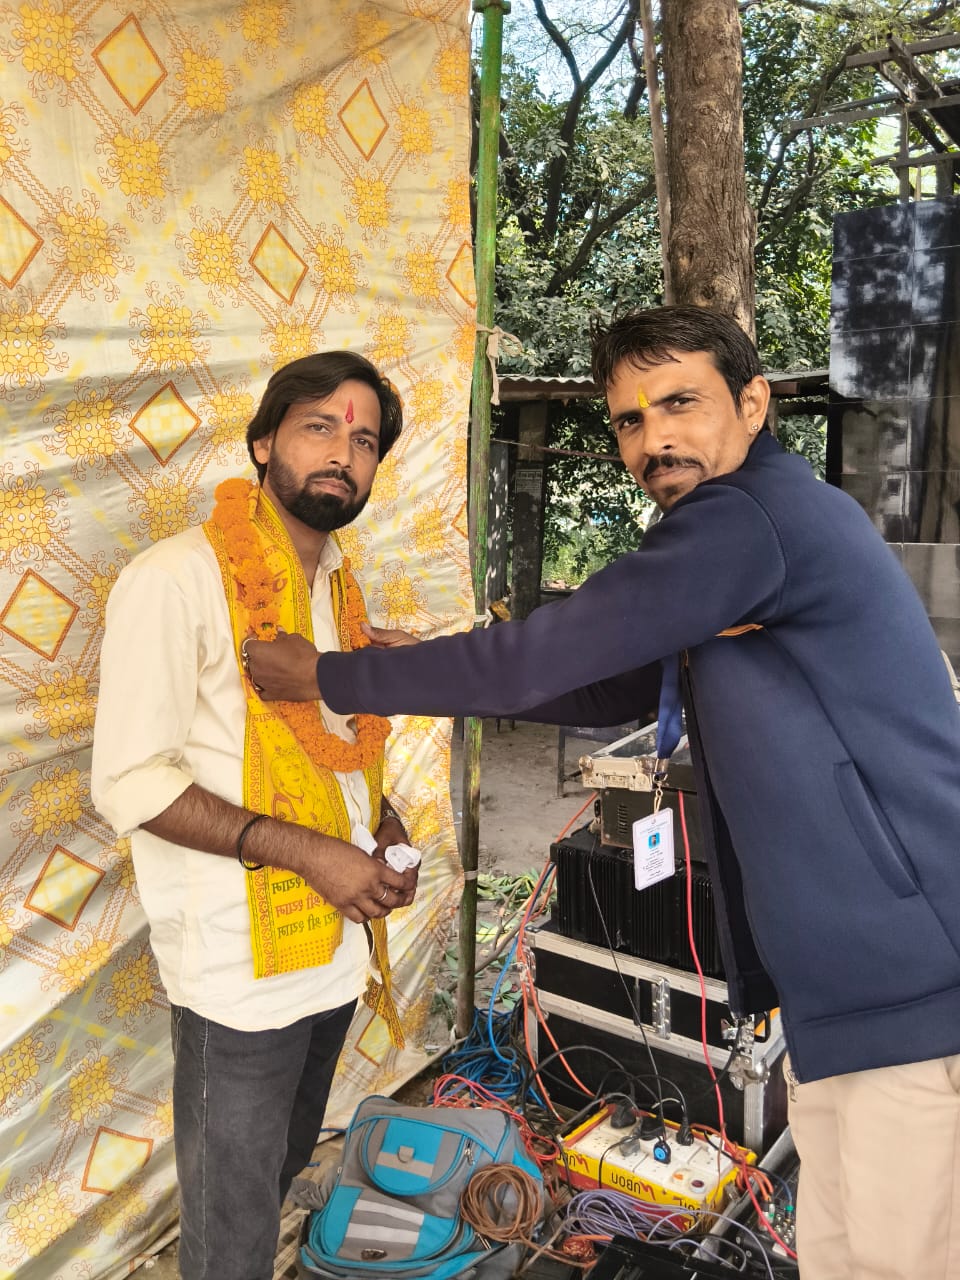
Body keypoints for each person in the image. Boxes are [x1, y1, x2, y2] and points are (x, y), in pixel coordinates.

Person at [246, 306, 960, 1280]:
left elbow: (539, 658)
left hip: (911, 988)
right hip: (855, 989)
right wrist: (414, 664)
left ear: (753, 403)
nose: (653, 437)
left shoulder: (748, 519)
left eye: (680, 403)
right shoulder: (753, 532)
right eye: (629, 418)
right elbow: (606, 683)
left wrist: (328, 675)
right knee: (844, 1253)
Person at [91, 351, 419, 1280]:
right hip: (238, 978)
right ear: (264, 442)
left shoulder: (340, 590)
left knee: (274, 1180)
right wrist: (310, 852)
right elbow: (130, 782)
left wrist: (381, 821)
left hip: (335, 955)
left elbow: (328, 753)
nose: (344, 454)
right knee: (230, 1238)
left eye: (365, 442)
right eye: (320, 427)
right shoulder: (176, 579)